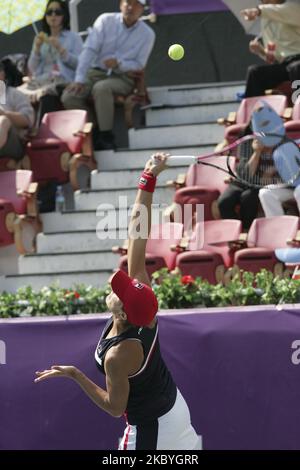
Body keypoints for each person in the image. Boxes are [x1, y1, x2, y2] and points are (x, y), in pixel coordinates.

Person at [34, 154, 202, 451]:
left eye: (118, 291)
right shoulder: (144, 304)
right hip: (174, 408)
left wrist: (75, 374)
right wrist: (148, 178)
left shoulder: (118, 356)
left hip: (153, 429)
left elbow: (114, 407)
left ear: (122, 312)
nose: (114, 287)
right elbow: (137, 234)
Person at [61, 0, 155, 150]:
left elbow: (139, 65)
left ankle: (106, 136)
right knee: (69, 96)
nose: (130, 7)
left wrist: (119, 64)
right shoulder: (105, 20)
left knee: (101, 88)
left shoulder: (148, 34)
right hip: (95, 72)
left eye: (135, 4)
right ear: (120, 4)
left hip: (124, 77)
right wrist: (79, 79)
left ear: (142, 9)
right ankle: (95, 130)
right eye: (127, 2)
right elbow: (89, 50)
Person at [22, 0, 83, 122]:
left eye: (57, 12)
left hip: (62, 81)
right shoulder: (40, 38)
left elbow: (80, 65)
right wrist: (37, 50)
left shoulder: (73, 38)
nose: (53, 16)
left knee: (46, 96)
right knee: (17, 95)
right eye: (49, 12)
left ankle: (42, 134)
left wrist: (61, 50)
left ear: (64, 16)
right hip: (42, 80)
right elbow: (32, 68)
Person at [241, 0, 300, 97]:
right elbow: (273, 58)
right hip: (285, 65)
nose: (264, 0)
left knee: (296, 67)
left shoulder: (294, 7)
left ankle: (298, 104)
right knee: (255, 72)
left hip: (298, 62)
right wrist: (261, 51)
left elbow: (278, 11)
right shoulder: (266, 19)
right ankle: (255, 109)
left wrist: (257, 10)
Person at [0, 59, 34, 161]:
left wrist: (4, 113)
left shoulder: (15, 94)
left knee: (3, 120)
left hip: (13, 144)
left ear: (2, 74)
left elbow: (27, 120)